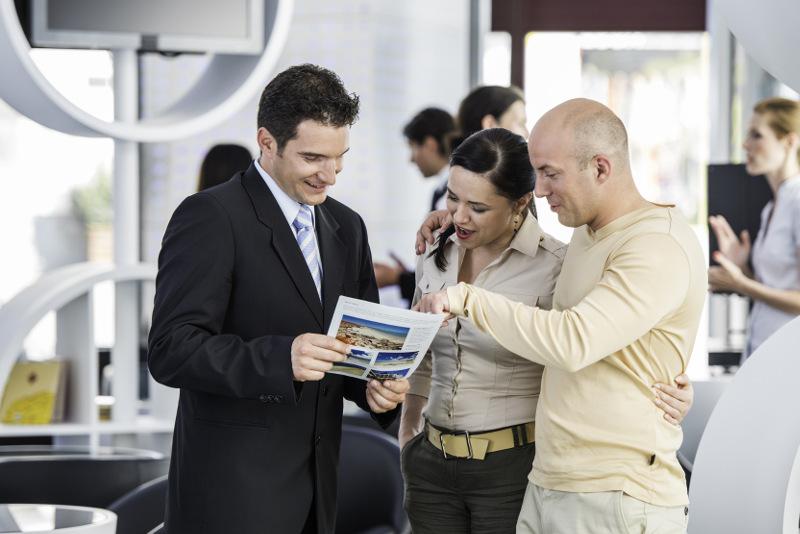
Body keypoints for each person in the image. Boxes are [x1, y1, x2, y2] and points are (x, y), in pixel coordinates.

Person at [417, 98, 705, 534]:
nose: (540, 189)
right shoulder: (589, 233)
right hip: (553, 482)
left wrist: (467, 299)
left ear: (601, 169)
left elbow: (573, 340)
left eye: (551, 174)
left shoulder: (656, 244)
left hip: (614, 494)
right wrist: (460, 215)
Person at [148, 64, 409, 534]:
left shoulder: (347, 227)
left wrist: (377, 392)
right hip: (232, 496)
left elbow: (354, 350)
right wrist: (280, 358)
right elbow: (171, 349)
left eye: (340, 158)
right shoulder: (210, 217)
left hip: (319, 493)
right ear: (267, 142)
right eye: (313, 158)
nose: (330, 175)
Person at [709, 97, 800, 358]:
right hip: (765, 352)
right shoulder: (773, 207)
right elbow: (774, 289)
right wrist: (743, 271)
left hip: (790, 361)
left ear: (789, 142)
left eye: (757, 135)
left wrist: (741, 284)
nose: (746, 144)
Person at [374, 108, 455, 299]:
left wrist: (399, 278)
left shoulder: (450, 194)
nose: (411, 158)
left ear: (430, 144)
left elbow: (449, 277)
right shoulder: (441, 189)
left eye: (413, 147)